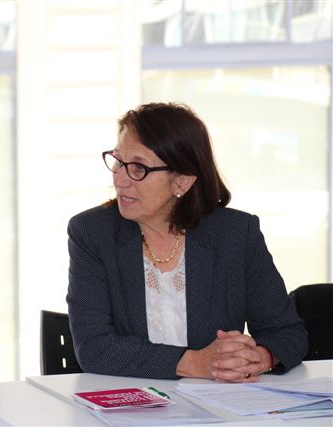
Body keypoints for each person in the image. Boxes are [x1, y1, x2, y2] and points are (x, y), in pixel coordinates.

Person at [67, 102, 308, 383]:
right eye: (118, 162)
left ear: (182, 181)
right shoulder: (93, 232)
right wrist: (193, 362)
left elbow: (287, 333)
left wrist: (260, 357)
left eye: (138, 168)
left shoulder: (235, 233)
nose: (120, 180)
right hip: (133, 409)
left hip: (219, 407)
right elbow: (94, 347)